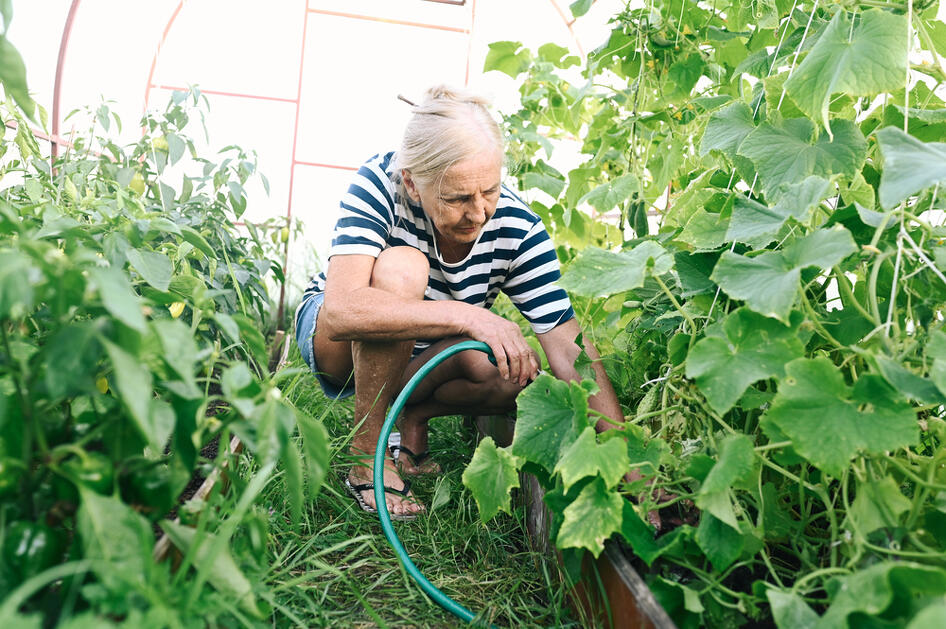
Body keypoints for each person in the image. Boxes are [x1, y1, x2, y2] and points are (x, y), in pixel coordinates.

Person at [295, 85, 623, 520]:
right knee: (403, 267)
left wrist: (632, 471)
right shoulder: (380, 183)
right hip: (337, 345)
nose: (479, 212)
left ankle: (410, 412)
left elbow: (569, 348)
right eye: (457, 198)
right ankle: (365, 457)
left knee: (517, 373)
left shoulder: (517, 228)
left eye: (490, 190)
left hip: (419, 357)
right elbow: (341, 312)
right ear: (413, 183)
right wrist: (469, 316)